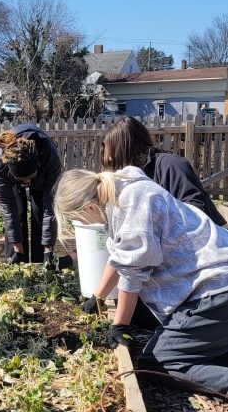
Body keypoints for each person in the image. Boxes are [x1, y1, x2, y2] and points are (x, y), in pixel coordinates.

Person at [54, 166, 228, 394]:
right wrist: (98, 297)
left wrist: (120, 326)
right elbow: (120, 256)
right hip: (218, 282)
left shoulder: (130, 208)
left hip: (215, 290)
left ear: (88, 207)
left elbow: (130, 276)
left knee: (158, 363)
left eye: (78, 218)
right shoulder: (123, 188)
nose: (83, 223)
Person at [82, 116, 226, 313]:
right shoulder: (128, 183)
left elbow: (194, 212)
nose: (105, 158)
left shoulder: (170, 166)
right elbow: (126, 250)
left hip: (205, 272)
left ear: (122, 149)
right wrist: (98, 297)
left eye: (107, 151)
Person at [0, 125, 71, 267]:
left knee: (40, 210)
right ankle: (16, 259)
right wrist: (17, 250)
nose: (27, 183)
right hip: (11, 177)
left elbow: (49, 206)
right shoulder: (0, 162)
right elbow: (8, 208)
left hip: (42, 178)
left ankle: (42, 260)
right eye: (22, 179)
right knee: (18, 211)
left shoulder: (49, 157)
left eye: (30, 177)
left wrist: (48, 249)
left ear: (37, 165)